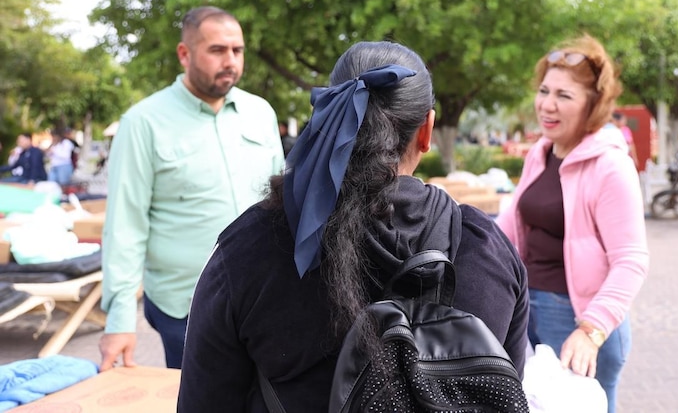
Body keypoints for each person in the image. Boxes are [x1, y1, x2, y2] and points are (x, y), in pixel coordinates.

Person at [177, 41, 529, 411]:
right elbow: (507, 388)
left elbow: (203, 400)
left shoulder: (250, 248)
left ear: (328, 118)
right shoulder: (488, 248)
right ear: (427, 130)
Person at [99, 6, 285, 371]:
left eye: (238, 50)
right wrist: (119, 320)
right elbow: (124, 225)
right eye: (217, 50)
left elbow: (280, 204)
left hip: (262, 298)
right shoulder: (143, 123)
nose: (230, 60)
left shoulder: (260, 113)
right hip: (183, 307)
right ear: (184, 54)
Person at [494, 34, 649, 413]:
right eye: (545, 90)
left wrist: (590, 331)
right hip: (526, 308)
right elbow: (510, 226)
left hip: (578, 317)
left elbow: (631, 260)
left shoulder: (610, 165)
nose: (547, 104)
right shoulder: (541, 153)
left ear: (593, 105)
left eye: (564, 96)